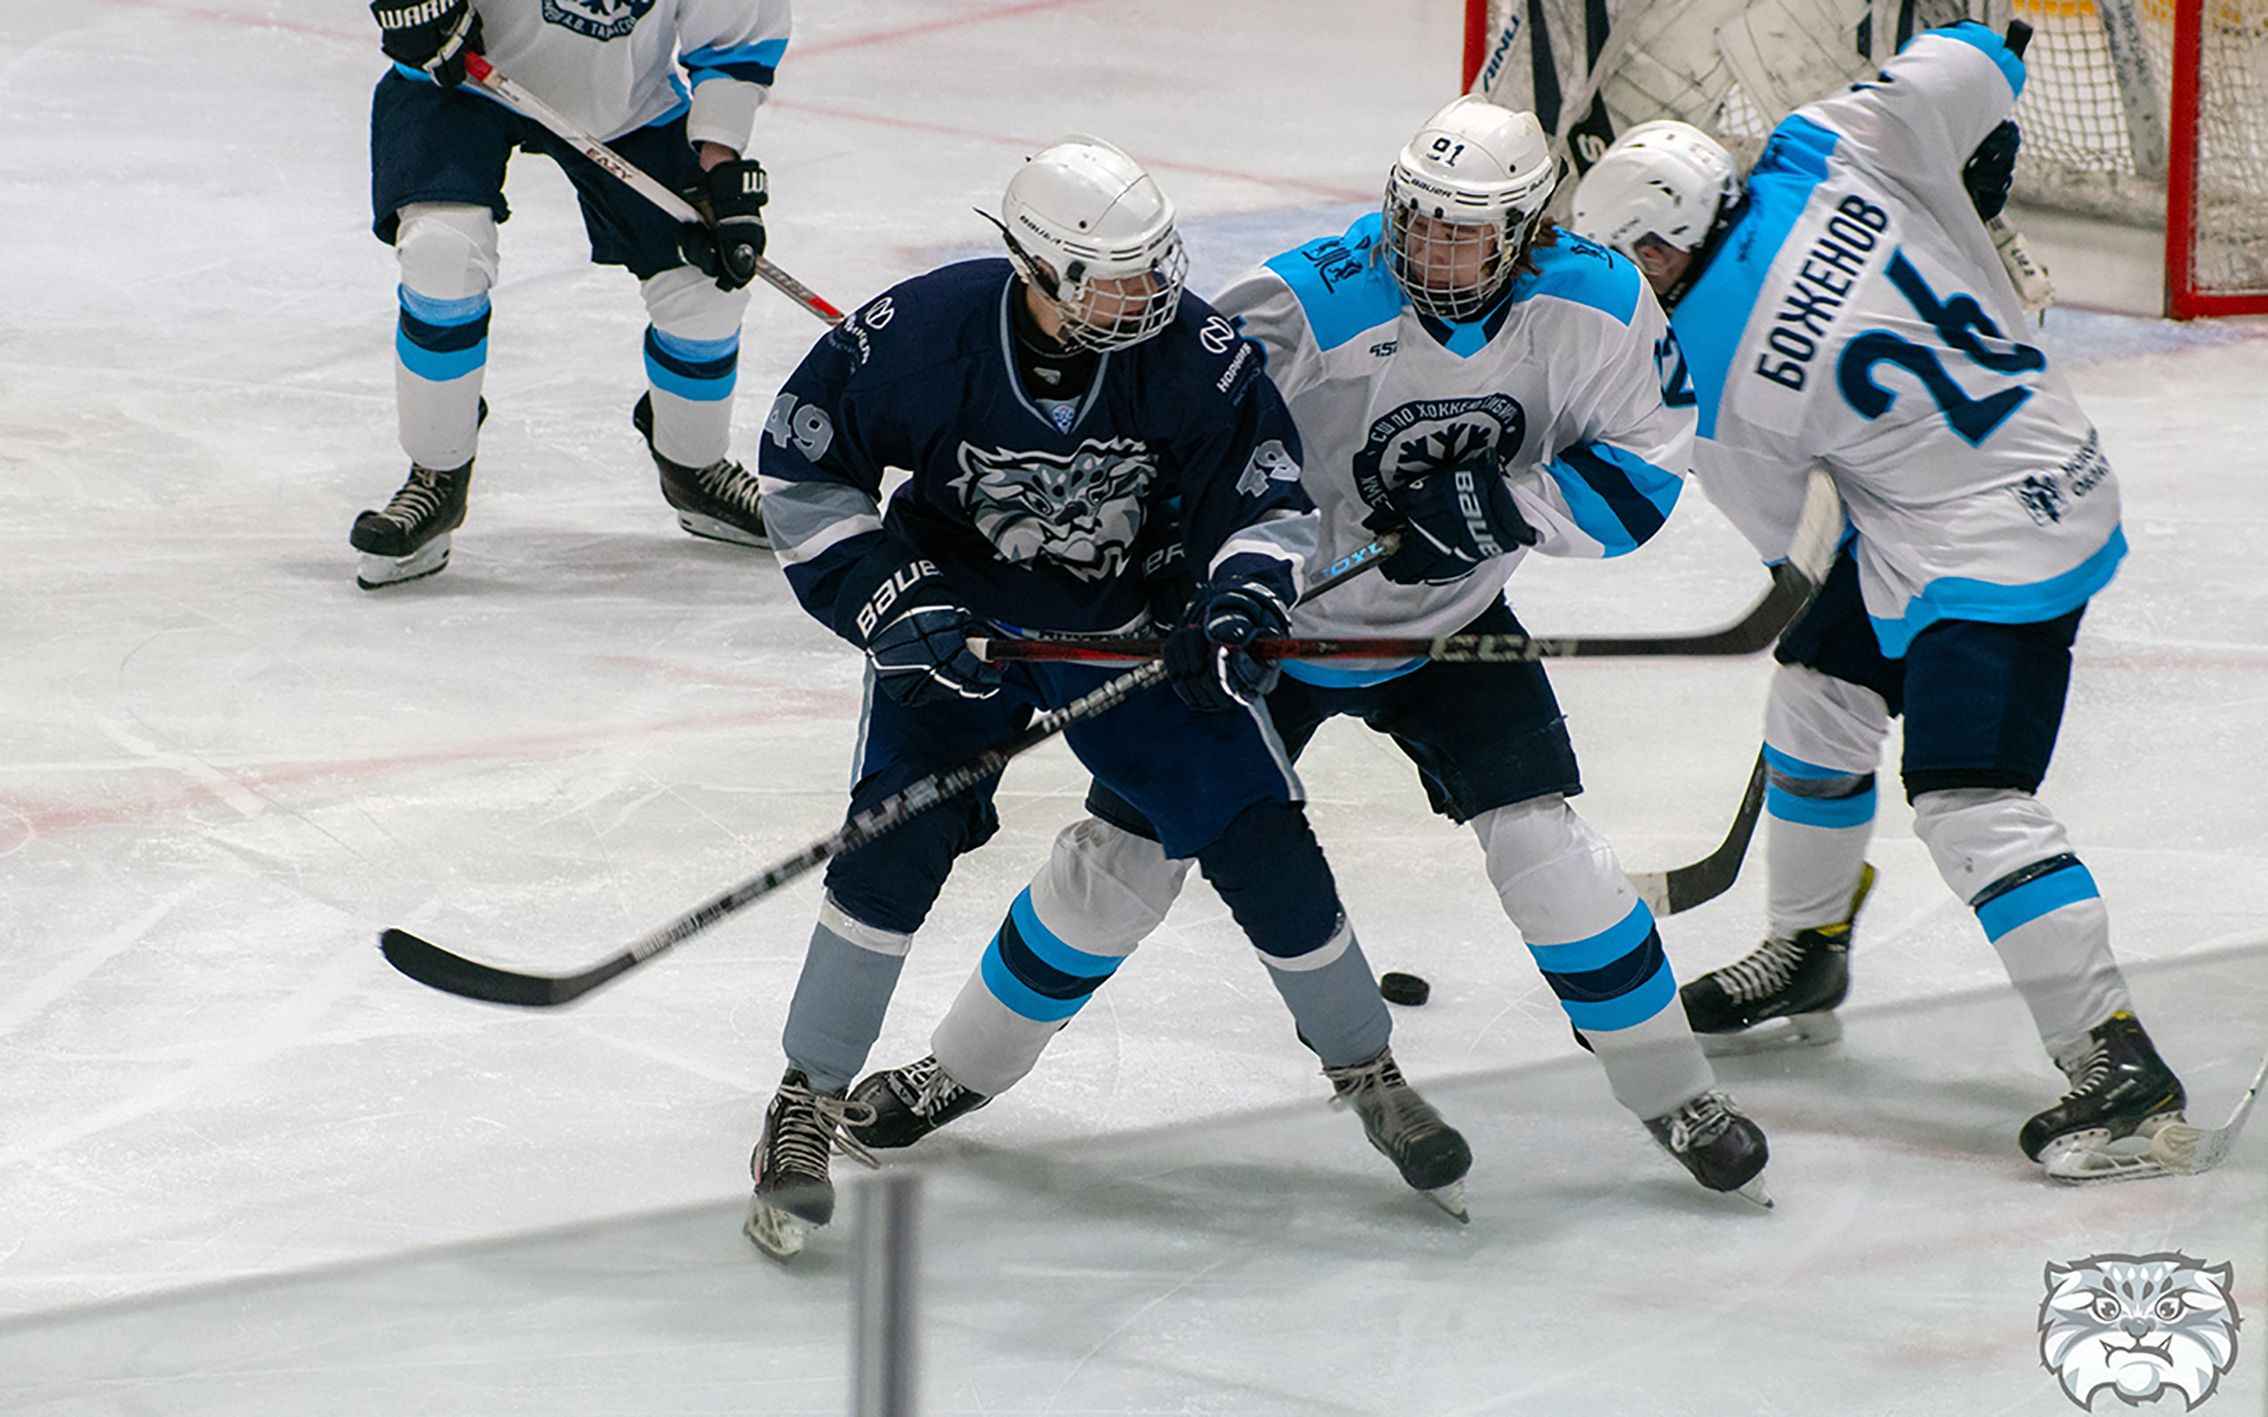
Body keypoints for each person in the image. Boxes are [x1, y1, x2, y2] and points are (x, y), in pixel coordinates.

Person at [843, 96, 1777, 1209]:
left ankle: (1677, 1091)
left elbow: (1643, 476)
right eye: (1417, 221)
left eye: (1462, 232)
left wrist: (1504, 505)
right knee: (1121, 861)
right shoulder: (1297, 305)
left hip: (1447, 623)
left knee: (1548, 850)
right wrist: (1189, 595)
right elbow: (1159, 449)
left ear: (1527, 229)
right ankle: (955, 1070)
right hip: (1267, 632)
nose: (1429, 250)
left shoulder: (1603, 305)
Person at [744, 135, 1474, 1258]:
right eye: (1116, 280)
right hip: (962, 623)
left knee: (1259, 832)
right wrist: (893, 601)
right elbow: (804, 476)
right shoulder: (923, 332)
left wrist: (1239, 598)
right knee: (893, 833)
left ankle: (1366, 1068)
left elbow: (1267, 503)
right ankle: (808, 1094)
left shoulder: (1198, 355)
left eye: (1153, 269)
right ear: (1039, 271)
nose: (1150, 297)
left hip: (1136, 627)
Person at [1567, 22, 2187, 1178]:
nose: (1630, 287)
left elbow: (1797, 545)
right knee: (1818, 687)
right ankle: (1808, 949)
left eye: (1633, 262)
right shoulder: (1830, 143)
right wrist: (1975, 150)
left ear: (1666, 241)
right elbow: (1980, 52)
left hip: (1996, 548)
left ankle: (2119, 1064)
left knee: (1970, 799)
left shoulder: (1709, 372)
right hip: (2032, 460)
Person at [352, 0, 788, 589]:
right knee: (443, 251)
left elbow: (735, 41)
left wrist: (719, 167)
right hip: (457, 77)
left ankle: (694, 464)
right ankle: (437, 474)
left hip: (624, 103)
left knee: (705, 283)